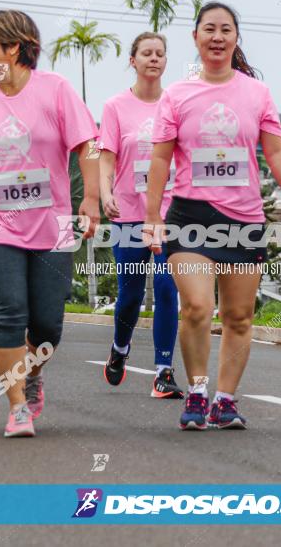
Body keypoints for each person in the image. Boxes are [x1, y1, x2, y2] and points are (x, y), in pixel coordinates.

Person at [144, 1, 281, 430]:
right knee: (197, 307)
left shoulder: (257, 93)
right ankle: (197, 391)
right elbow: (160, 160)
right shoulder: (177, 94)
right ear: (196, 37)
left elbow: (274, 149)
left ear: (236, 38)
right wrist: (152, 218)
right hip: (190, 217)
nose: (217, 37)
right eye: (209, 29)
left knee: (238, 317)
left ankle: (225, 399)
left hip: (244, 220)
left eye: (226, 29)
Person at [0, 10, 99, 437]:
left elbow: (87, 146)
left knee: (49, 325)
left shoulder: (56, 90)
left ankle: (31, 372)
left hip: (54, 226)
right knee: (10, 311)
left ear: (13, 48)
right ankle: (16, 407)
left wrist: (90, 197)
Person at [99, 32, 183, 399]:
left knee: (167, 287)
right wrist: (105, 193)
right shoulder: (116, 106)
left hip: (169, 215)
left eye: (160, 54)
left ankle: (164, 371)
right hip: (128, 215)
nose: (154, 59)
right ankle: (119, 349)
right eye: (146, 53)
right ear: (132, 61)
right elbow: (106, 157)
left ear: (166, 61)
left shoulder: (177, 103)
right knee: (130, 295)